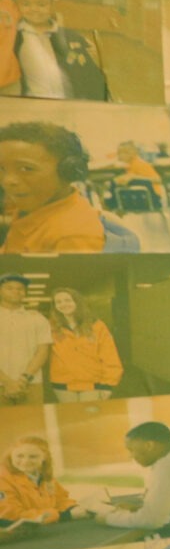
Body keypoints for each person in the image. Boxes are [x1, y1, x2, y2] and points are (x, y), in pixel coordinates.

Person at [0, 119, 106, 253]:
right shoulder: (36, 205)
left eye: (26, 169)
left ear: (68, 172)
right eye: (1, 169)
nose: (8, 181)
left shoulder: (71, 236)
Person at [0, 0, 105, 100]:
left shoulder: (71, 37)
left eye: (41, 4)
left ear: (51, 5)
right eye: (25, 4)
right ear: (16, 7)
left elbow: (91, 76)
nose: (34, 9)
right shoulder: (14, 37)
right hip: (33, 107)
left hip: (72, 105)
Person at [96, 421, 170, 534]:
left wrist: (107, 519)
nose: (131, 456)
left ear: (149, 445)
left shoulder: (168, 465)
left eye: (131, 450)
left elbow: (152, 520)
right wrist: (141, 509)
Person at [43, 283, 118, 397]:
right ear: (54, 306)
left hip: (93, 384)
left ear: (77, 302)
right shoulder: (50, 327)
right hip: (63, 385)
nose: (63, 304)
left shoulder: (97, 326)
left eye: (68, 300)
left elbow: (110, 356)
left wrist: (108, 385)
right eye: (58, 302)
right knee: (69, 415)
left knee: (91, 415)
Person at [0, 272, 46, 400]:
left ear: (24, 293)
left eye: (20, 289)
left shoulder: (37, 318)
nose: (16, 291)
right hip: (1, 384)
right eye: (9, 288)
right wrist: (7, 382)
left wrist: (24, 378)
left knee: (33, 420)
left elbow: (42, 351)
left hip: (32, 384)